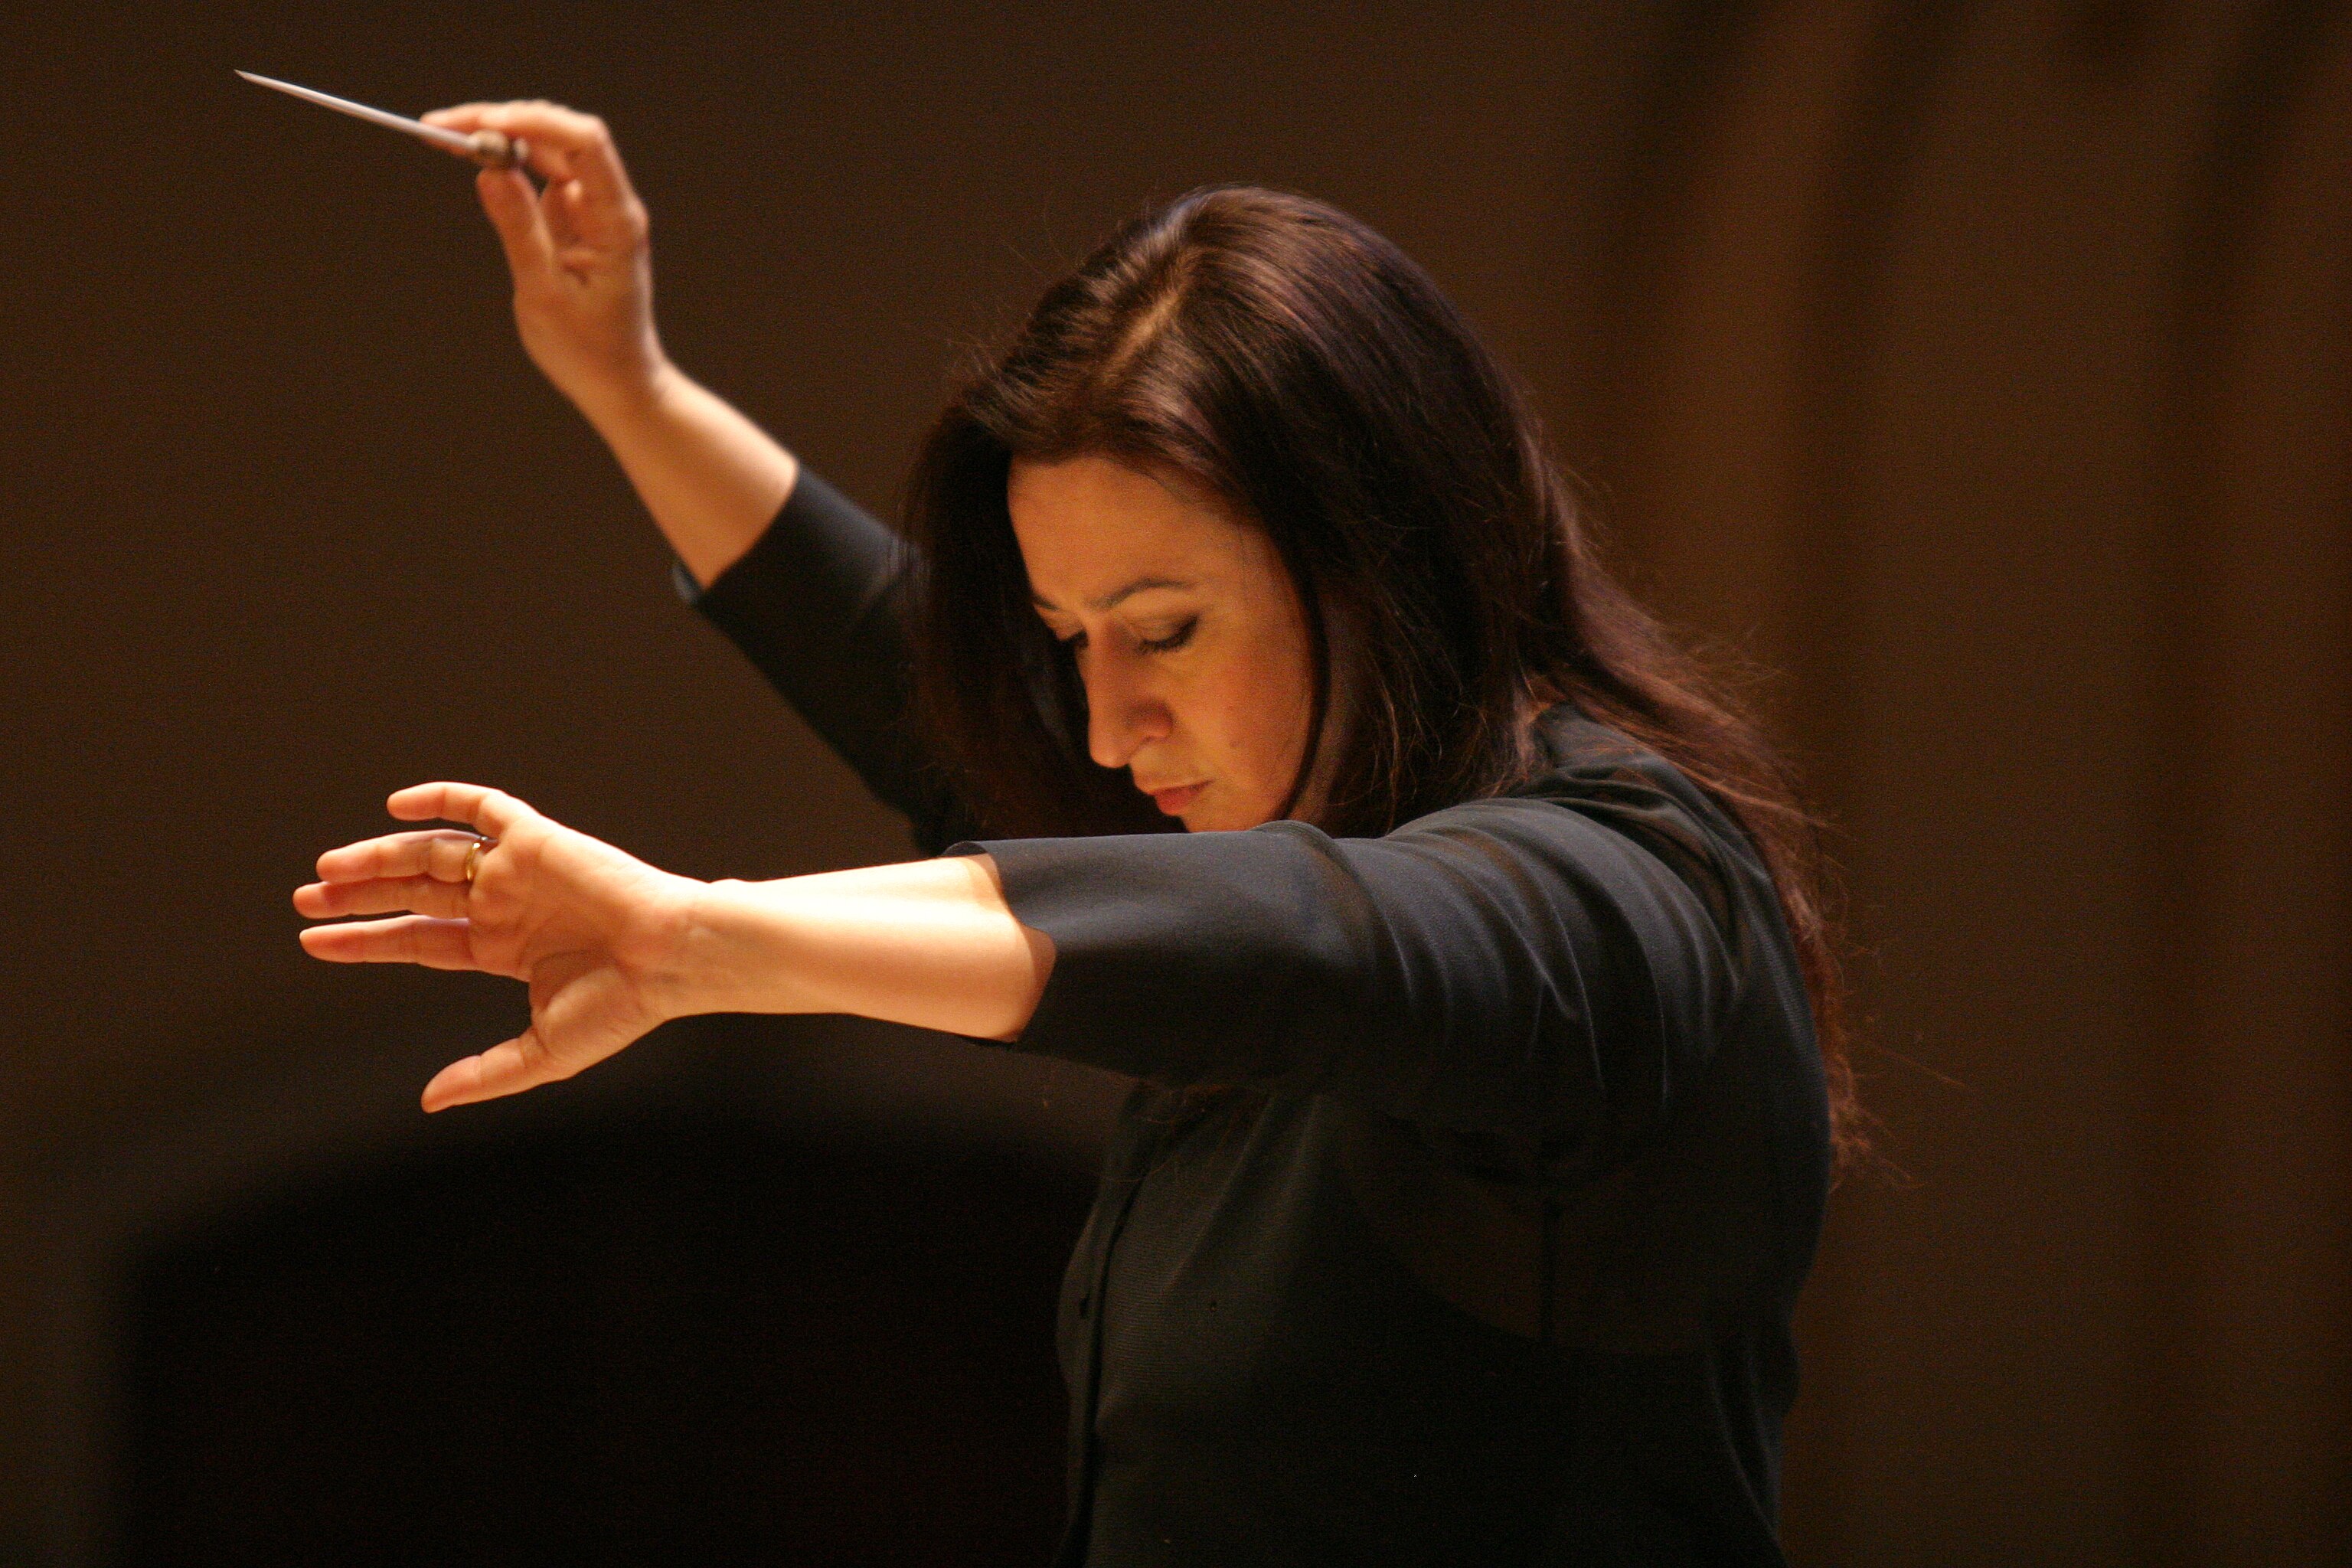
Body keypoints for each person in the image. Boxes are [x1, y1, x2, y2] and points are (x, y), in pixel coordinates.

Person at [294, 100, 1863, 1566]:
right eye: (1070, 640)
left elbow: (1311, 939)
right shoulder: (1275, 796)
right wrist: (629, 384)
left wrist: (693, 941)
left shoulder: (1630, 890)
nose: (1109, 729)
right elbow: (916, 684)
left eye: (1163, 631)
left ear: (1379, 563)